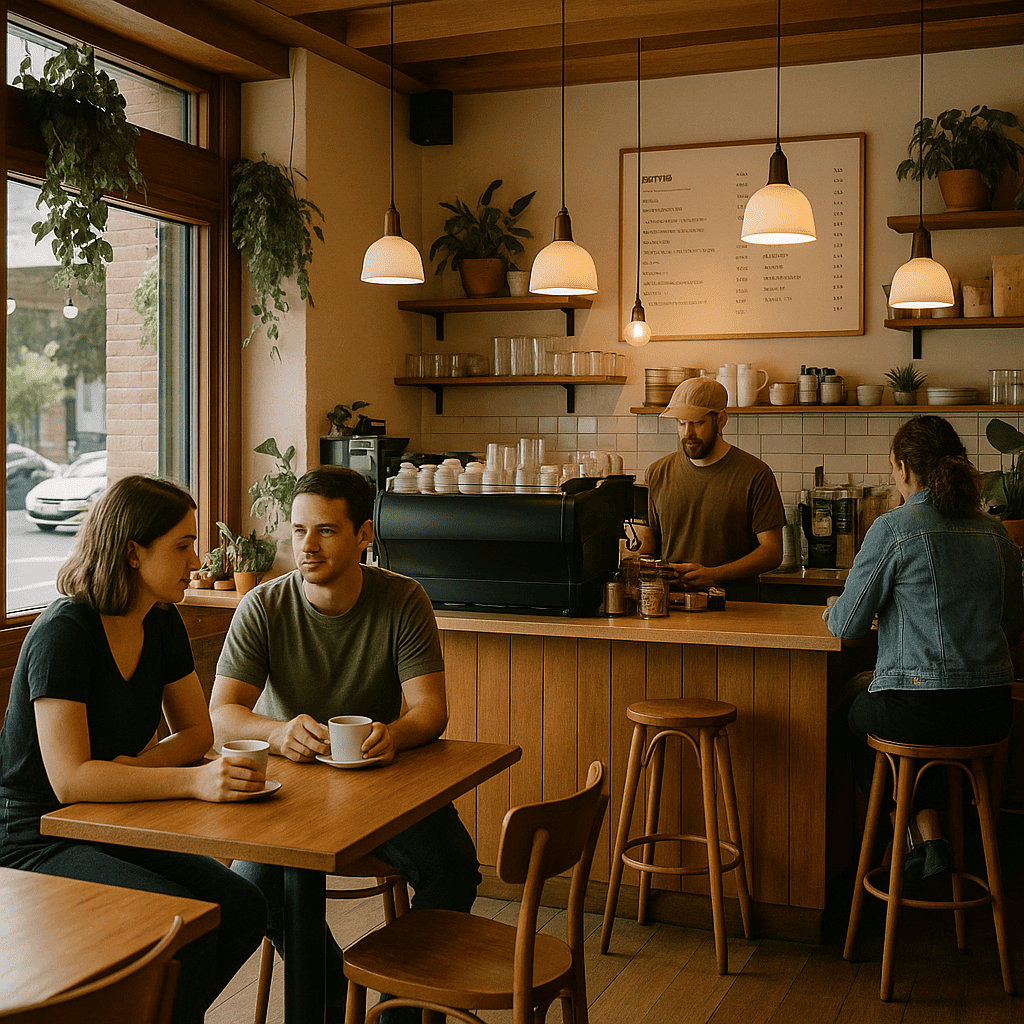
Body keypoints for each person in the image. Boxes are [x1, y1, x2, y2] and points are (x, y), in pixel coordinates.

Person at [210, 465, 480, 1024]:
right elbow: (222, 715)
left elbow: (431, 711)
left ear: (363, 535)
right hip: (290, 793)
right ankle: (338, 1002)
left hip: (385, 785)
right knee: (252, 892)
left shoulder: (403, 599)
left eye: (326, 531)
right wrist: (279, 733)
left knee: (454, 869)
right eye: (298, 529)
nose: (306, 546)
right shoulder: (262, 606)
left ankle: (395, 1015)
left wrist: (395, 735)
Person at [0, 475, 268, 1024]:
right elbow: (71, 781)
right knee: (182, 928)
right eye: (183, 544)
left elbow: (198, 733)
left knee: (243, 908)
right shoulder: (64, 632)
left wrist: (136, 769)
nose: (197, 559)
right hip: (34, 834)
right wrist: (192, 781)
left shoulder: (161, 619)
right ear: (131, 551)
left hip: (111, 816)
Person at [825, 416, 1023, 873]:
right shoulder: (997, 534)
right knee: (906, 716)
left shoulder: (894, 528)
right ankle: (931, 838)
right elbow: (1012, 625)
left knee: (851, 709)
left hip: (918, 713)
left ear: (902, 467)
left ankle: (916, 834)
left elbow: (847, 625)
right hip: (992, 713)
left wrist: (835, 608)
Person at [638, 375, 786, 600]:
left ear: (721, 420)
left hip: (735, 607)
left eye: (697, 422)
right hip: (670, 606)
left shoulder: (755, 474)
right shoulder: (657, 472)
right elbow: (647, 544)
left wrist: (715, 575)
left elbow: (772, 552)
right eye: (680, 422)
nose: (688, 432)